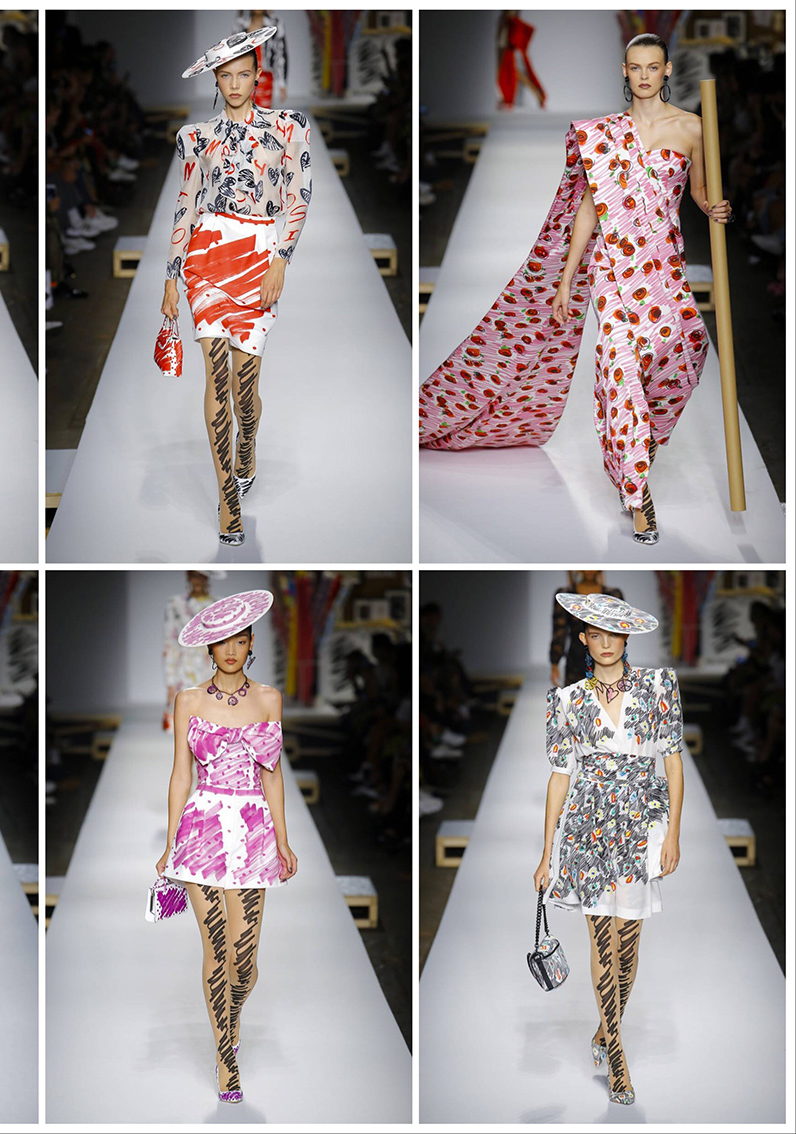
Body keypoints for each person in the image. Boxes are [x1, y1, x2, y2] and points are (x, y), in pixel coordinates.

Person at [420, 33, 732, 545]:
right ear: (625, 71)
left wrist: (714, 208)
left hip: (665, 265)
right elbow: (588, 207)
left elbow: (698, 192)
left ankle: (639, 447)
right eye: (636, 67)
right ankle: (637, 493)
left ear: (668, 70)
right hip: (614, 268)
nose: (645, 76)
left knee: (688, 349)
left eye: (653, 66)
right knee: (621, 367)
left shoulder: (694, 128)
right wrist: (568, 279)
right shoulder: (603, 135)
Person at [160, 28, 312, 546]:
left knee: (246, 392)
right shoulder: (196, 137)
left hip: (259, 255)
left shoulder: (289, 128)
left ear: (257, 75)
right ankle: (227, 496)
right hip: (206, 256)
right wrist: (171, 277)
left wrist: (281, 261)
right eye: (225, 76)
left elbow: (299, 197)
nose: (234, 84)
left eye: (243, 74)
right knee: (215, 377)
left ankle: (248, 443)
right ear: (215, 80)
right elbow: (185, 204)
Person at [532, 592, 683, 1106]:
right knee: (602, 943)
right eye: (595, 635)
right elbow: (559, 776)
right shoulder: (567, 700)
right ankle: (617, 1056)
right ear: (583, 639)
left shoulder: (659, 686)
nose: (605, 643)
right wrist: (547, 852)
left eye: (614, 634)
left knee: (628, 947)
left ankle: (604, 1026)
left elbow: (673, 762)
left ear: (627, 636)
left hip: (640, 827)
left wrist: (674, 833)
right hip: (588, 830)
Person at [155, 590, 297, 1103]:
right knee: (216, 951)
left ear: (252, 642)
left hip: (254, 834)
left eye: (240, 639)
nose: (232, 650)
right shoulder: (189, 701)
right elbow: (180, 774)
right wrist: (170, 843)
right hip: (202, 834)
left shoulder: (269, 699)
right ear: (209, 649)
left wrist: (283, 840)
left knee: (245, 960)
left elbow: (272, 775)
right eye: (222, 642)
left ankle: (231, 1021)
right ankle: (226, 1055)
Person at [162, 570, 219, 731]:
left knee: (210, 724)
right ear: (188, 577)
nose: (197, 580)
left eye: (201, 576)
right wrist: (170, 681)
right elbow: (170, 641)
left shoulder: (218, 604)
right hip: (184, 666)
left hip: (210, 665)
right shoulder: (175, 603)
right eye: (194, 575)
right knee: (184, 725)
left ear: (208, 577)